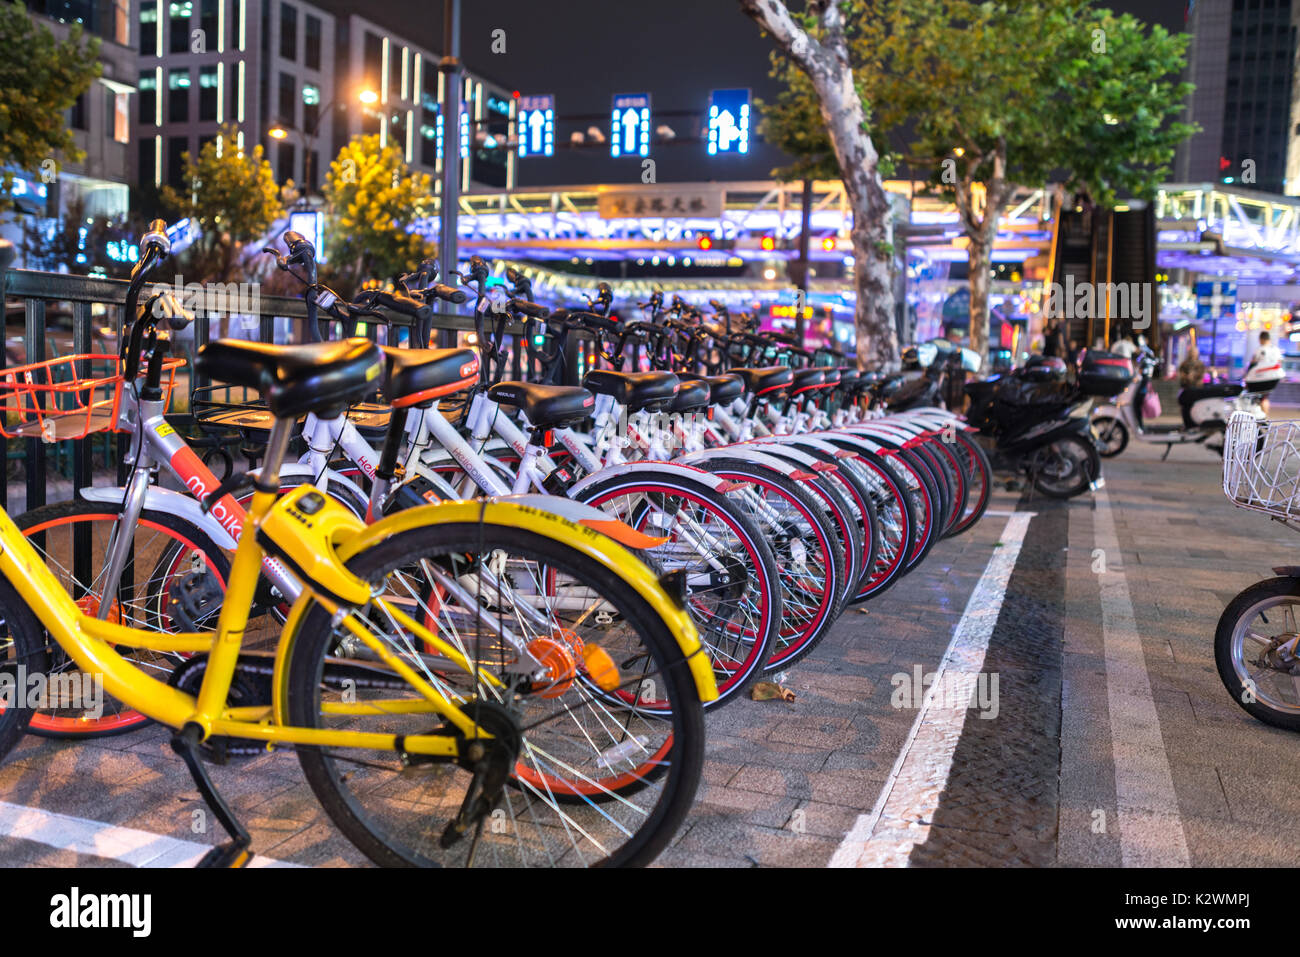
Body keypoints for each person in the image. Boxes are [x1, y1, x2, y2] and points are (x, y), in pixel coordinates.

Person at [1248, 330, 1283, 414]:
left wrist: (1247, 374)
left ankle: (1262, 419)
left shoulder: (1260, 350)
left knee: (1260, 398)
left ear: (1261, 339)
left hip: (1261, 378)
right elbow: (1279, 363)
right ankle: (1265, 418)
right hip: (1274, 378)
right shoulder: (1276, 349)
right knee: (1265, 398)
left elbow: (1253, 363)